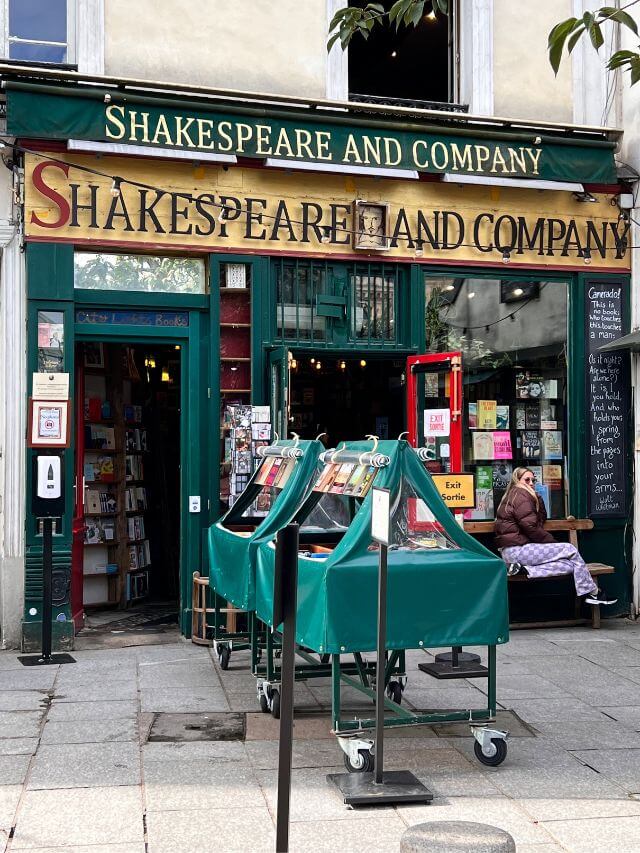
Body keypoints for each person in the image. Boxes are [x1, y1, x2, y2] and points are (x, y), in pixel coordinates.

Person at [494, 467, 616, 605]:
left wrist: (537, 497)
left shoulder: (519, 495)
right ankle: (593, 593)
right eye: (526, 480)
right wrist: (552, 542)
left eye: (533, 480)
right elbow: (532, 528)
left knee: (571, 565)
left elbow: (541, 519)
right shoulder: (520, 495)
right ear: (517, 481)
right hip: (517, 551)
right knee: (569, 549)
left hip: (516, 553)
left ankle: (523, 570)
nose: (531, 483)